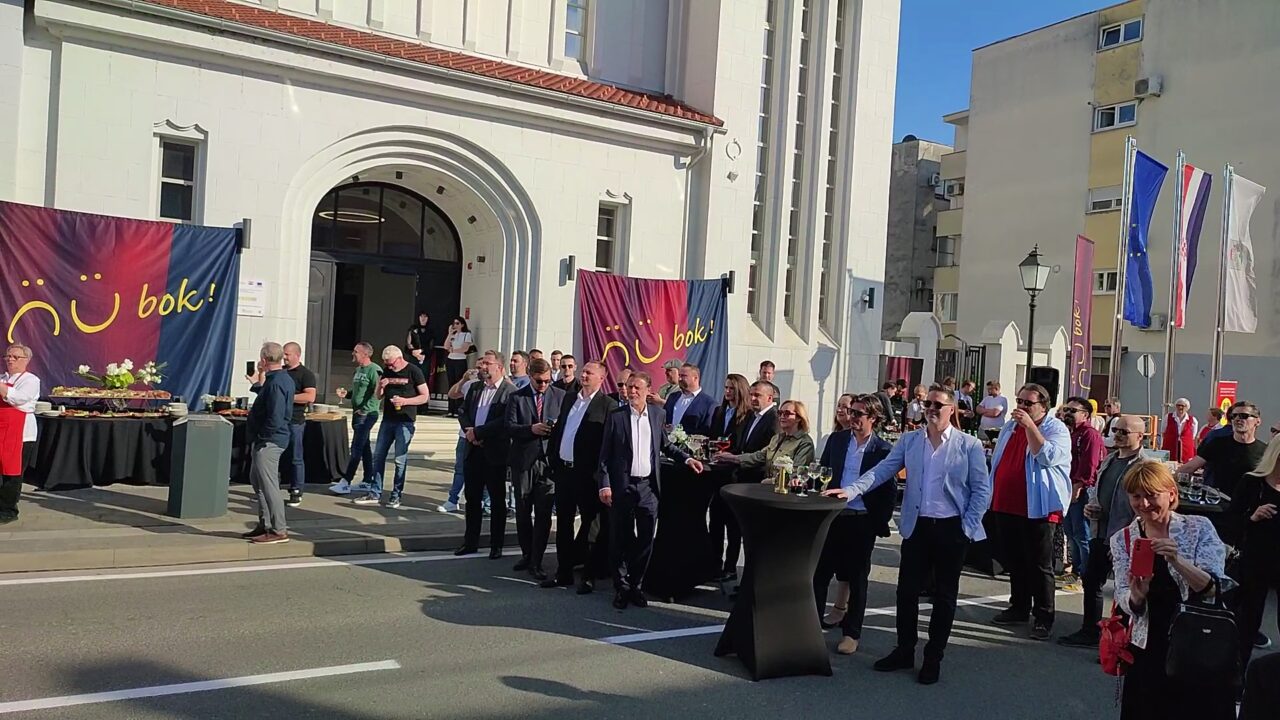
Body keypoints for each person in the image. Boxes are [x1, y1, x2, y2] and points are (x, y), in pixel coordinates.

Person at [824, 384, 991, 684]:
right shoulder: (911, 440)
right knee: (906, 592)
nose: (931, 409)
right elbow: (882, 471)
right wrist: (850, 491)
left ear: (951, 409)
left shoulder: (969, 445)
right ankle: (904, 650)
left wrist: (967, 528)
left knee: (944, 596)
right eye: (928, 404)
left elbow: (982, 491)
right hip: (918, 527)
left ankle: (933, 656)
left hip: (951, 528)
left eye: (938, 405)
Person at [1110, 461, 1234, 720]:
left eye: (1151, 495)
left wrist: (1177, 561)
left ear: (1171, 494)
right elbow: (1123, 595)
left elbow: (1214, 588)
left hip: (1197, 641)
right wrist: (1136, 596)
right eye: (1136, 497)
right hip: (1149, 646)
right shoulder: (1123, 539)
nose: (1144, 504)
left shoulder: (1198, 527)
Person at [599, 371, 705, 610]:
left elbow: (665, 445)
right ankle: (621, 587)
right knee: (620, 538)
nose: (632, 391)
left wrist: (688, 459)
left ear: (648, 390)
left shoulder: (658, 414)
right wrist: (605, 484)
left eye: (637, 387)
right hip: (622, 486)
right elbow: (605, 455)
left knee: (646, 538)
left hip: (648, 487)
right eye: (629, 387)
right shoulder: (616, 417)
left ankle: (636, 585)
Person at [988, 383, 1072, 641]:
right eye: (1020, 402)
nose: (1022, 407)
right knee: (1014, 560)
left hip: (1037, 506)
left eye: (1028, 403)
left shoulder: (1055, 428)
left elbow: (1047, 457)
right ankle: (1019, 606)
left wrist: (1030, 427)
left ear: (1043, 406)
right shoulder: (1009, 427)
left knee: (1039, 564)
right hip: (1007, 503)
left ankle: (1044, 616)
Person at [814, 394, 893, 655]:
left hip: (861, 519)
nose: (852, 417)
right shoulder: (837, 440)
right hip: (833, 516)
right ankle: (812, 625)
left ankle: (852, 633)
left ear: (873, 418)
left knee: (858, 578)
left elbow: (888, 491)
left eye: (858, 414)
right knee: (820, 573)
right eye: (851, 412)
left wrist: (877, 521)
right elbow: (823, 472)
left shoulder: (883, 449)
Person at [1058, 414, 1146, 648]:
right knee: (1092, 581)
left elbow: (1144, 508)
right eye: (1115, 430)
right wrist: (1091, 506)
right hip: (1101, 533)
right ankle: (1090, 630)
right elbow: (1097, 489)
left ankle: (1121, 642)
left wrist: (1129, 538)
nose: (1117, 435)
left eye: (1124, 432)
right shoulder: (1110, 459)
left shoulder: (1143, 466)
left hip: (1125, 538)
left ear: (1140, 436)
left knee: (1125, 589)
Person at [542, 361, 615, 593]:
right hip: (564, 471)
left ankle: (588, 576)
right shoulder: (569, 398)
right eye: (583, 372)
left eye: (589, 373)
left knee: (591, 525)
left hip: (588, 476)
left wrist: (602, 477)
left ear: (601, 378)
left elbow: (608, 445)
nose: (583, 375)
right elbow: (560, 430)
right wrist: (552, 458)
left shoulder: (608, 405)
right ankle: (563, 572)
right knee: (563, 523)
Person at [505, 358, 563, 580]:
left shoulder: (559, 396)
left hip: (548, 463)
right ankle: (527, 554)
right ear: (530, 376)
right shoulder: (517, 397)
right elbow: (509, 427)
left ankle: (537, 560)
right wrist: (531, 429)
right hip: (524, 461)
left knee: (544, 512)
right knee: (522, 510)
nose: (543, 385)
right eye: (539, 381)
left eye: (547, 381)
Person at [353, 346, 428, 508]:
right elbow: (378, 396)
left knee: (400, 459)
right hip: (388, 419)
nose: (389, 366)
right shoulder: (387, 371)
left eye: (391, 363)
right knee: (378, 456)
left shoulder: (413, 371)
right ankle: (375, 492)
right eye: (386, 363)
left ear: (399, 359)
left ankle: (396, 495)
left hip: (405, 420)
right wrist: (380, 386)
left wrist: (405, 401)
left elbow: (425, 396)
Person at [456, 351, 515, 558]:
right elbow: (462, 411)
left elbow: (505, 421)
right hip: (473, 450)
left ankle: (496, 544)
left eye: (487, 363)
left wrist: (479, 433)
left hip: (495, 453)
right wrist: (469, 431)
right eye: (482, 363)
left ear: (499, 367)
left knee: (497, 500)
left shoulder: (510, 392)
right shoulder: (475, 388)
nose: (482, 367)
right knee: (472, 499)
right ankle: (470, 541)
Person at [1230, 439, 1280, 671]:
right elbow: (1229, 523)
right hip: (1254, 562)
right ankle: (1236, 676)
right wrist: (1252, 516)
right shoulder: (1252, 482)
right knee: (1247, 622)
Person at [243, 342, 295, 544]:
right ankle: (265, 524)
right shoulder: (279, 379)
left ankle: (278, 529)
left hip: (270, 441)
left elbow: (276, 415)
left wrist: (263, 437)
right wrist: (257, 383)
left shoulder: (277, 382)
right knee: (259, 482)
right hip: (269, 439)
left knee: (269, 485)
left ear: (264, 360)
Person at [707, 374, 752, 581]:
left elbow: (742, 444)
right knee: (715, 521)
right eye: (726, 388)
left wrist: (730, 454)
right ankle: (714, 563)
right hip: (717, 472)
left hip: (734, 475)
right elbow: (713, 436)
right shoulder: (720, 411)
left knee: (733, 524)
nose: (727, 392)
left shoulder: (747, 415)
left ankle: (731, 566)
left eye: (732, 388)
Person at [1179, 401, 1266, 493]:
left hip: (1247, 500)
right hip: (1216, 498)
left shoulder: (1264, 450)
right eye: (1233, 416)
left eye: (1243, 416)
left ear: (1257, 421)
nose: (1237, 419)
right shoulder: (1217, 443)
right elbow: (1189, 468)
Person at [330, 342, 381, 496]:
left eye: (356, 352)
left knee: (357, 446)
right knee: (364, 446)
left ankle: (346, 481)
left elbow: (377, 392)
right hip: (357, 413)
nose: (353, 354)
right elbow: (357, 391)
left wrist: (365, 409)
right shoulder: (358, 370)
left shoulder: (375, 370)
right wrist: (347, 394)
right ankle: (367, 480)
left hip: (367, 414)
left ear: (365, 354)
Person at [1061, 396, 1104, 579]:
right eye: (1066, 410)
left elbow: (1090, 463)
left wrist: (1079, 485)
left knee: (1082, 533)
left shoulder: (1089, 434)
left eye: (1073, 411)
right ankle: (1076, 570)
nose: (1067, 413)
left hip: (1082, 489)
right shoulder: (1070, 432)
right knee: (1070, 532)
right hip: (1067, 486)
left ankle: (1086, 575)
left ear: (1085, 415)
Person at [713, 399, 815, 471]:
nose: (782, 416)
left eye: (787, 413)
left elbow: (798, 472)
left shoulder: (804, 443)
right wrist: (731, 457)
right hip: (767, 486)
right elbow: (758, 457)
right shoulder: (776, 438)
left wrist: (772, 482)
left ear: (799, 418)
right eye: (780, 413)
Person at [0, 343, 39, 524]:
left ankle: (8, 510)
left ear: (26, 360)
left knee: (12, 472)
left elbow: (19, 398)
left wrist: (2, 388)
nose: (10, 360)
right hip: (2, 428)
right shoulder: (2, 378)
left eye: (16, 357)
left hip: (21, 432)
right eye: (8, 356)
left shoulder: (31, 380)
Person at [278, 342, 317, 507]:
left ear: (297, 355)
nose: (284, 357)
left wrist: (287, 397)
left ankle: (296, 490)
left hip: (295, 421)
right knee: (275, 456)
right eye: (283, 354)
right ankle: (271, 489)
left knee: (295, 457)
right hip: (278, 420)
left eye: (287, 354)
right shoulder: (280, 372)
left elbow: (310, 397)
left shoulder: (306, 374)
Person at [439, 365, 479, 513]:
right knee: (460, 469)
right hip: (465, 435)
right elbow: (452, 394)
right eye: (478, 366)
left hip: (483, 435)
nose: (481, 369)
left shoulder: (498, 387)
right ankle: (453, 500)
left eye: (485, 365)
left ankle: (485, 504)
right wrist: (463, 379)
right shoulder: (470, 384)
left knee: (485, 471)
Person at [664, 363, 715, 436]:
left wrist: (679, 434)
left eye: (683, 376)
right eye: (679, 375)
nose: (680, 379)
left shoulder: (708, 404)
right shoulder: (673, 397)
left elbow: (706, 431)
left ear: (695, 378)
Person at [443, 316, 474, 417]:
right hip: (450, 360)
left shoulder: (466, 334)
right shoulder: (453, 335)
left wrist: (453, 350)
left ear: (462, 325)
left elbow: (465, 348)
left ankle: (458, 409)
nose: (455, 325)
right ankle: (450, 409)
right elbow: (446, 346)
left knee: (459, 383)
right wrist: (449, 334)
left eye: (457, 323)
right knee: (451, 383)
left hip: (460, 360)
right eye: (454, 324)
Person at [1161, 398, 1199, 463]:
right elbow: (1163, 432)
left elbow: (1193, 436)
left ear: (1187, 407)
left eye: (1182, 406)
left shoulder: (1193, 420)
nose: (1180, 407)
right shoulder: (1168, 417)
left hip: (1186, 450)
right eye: (1178, 405)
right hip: (1170, 447)